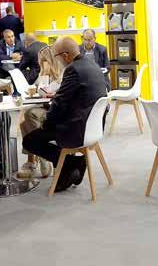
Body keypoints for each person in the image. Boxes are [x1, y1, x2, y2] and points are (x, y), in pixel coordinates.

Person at [22, 37, 106, 191]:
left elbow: (60, 103)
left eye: (56, 56)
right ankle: (70, 167)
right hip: (94, 127)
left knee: (29, 140)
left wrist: (46, 124)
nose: (57, 60)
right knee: (41, 131)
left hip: (77, 129)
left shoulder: (72, 69)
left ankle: (72, 163)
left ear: (65, 55)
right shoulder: (92, 64)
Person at [18, 44, 62, 179]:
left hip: (57, 111)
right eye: (40, 62)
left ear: (51, 61)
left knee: (29, 116)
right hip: (46, 107)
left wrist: (50, 93)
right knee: (25, 119)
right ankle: (39, 156)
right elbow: (40, 90)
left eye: (44, 61)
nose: (41, 64)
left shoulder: (62, 75)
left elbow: (59, 96)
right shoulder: (43, 74)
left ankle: (36, 158)